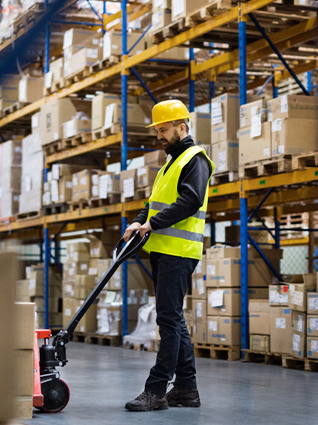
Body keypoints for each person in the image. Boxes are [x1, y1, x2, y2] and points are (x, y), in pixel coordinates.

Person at [123, 99, 214, 412]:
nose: (159, 135)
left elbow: (190, 200)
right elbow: (154, 203)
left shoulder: (195, 159)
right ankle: (187, 388)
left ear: (182, 127)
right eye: (157, 130)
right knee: (174, 319)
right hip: (162, 250)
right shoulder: (169, 164)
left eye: (164, 129)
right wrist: (138, 220)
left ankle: (157, 390)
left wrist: (153, 223)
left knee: (168, 320)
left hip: (178, 252)